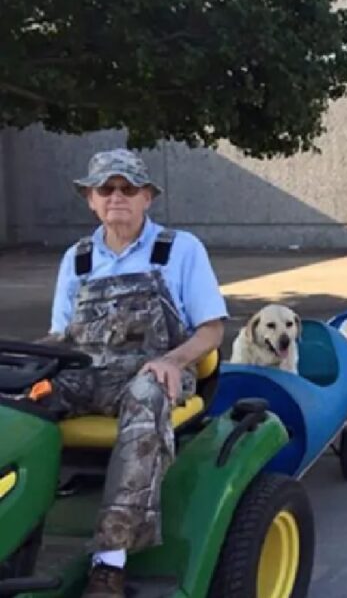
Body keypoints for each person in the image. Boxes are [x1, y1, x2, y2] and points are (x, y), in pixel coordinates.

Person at [43, 149, 228, 598]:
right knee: (19, 399)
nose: (117, 196)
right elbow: (58, 336)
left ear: (147, 197)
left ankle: (109, 563)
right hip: (88, 372)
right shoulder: (78, 258)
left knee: (147, 396)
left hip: (156, 370)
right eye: (106, 188)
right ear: (91, 199)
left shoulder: (180, 249)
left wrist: (174, 361)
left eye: (128, 188)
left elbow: (213, 330)